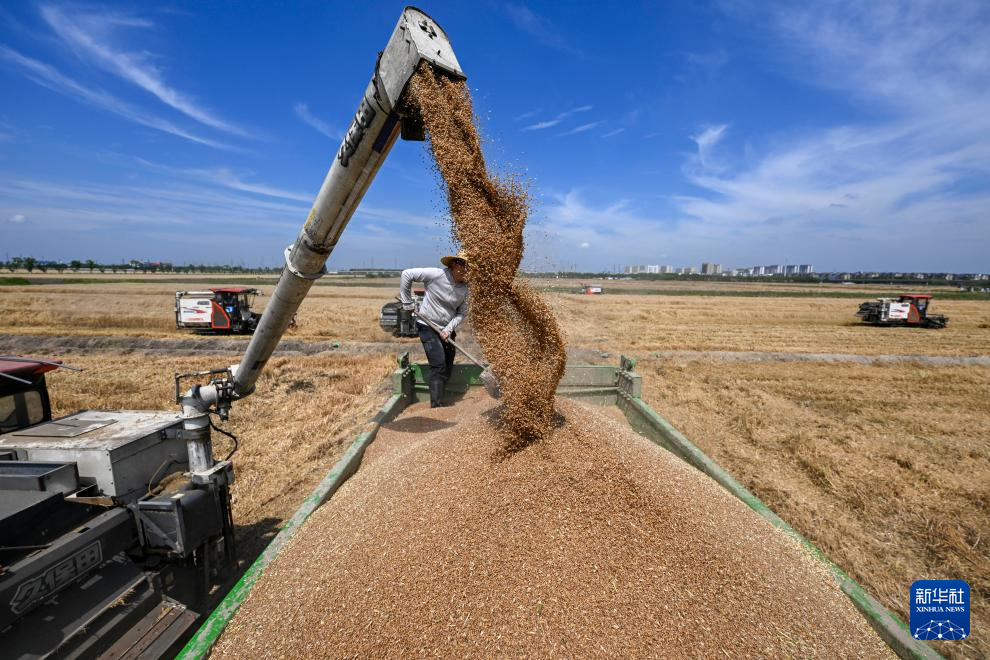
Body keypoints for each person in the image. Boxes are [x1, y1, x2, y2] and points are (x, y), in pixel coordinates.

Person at [399, 252, 470, 408]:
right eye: (462, 264)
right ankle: (436, 406)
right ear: (453, 264)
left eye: (468, 266)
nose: (465, 269)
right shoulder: (437, 275)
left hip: (447, 328)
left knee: (448, 365)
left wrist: (448, 329)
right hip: (427, 325)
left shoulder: (466, 288)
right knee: (438, 363)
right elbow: (406, 274)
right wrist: (406, 302)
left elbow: (462, 313)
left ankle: (440, 395)